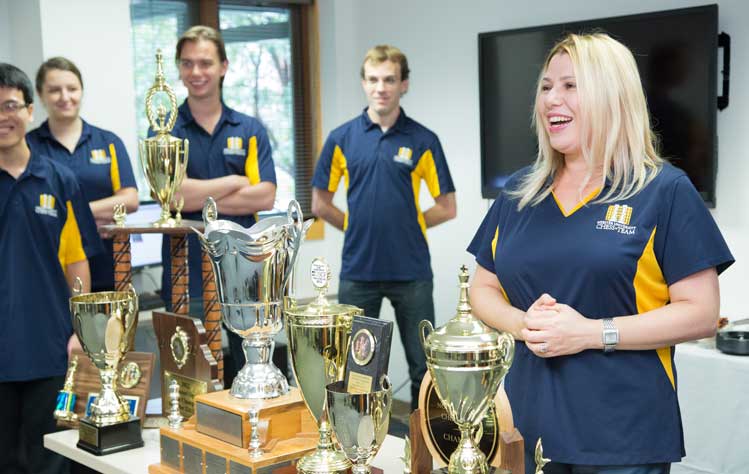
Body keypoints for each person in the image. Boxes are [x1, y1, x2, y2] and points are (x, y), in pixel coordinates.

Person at [467, 33, 734, 474]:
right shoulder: (517, 193)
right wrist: (523, 324)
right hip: (523, 424)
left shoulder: (664, 191)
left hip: (622, 433)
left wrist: (590, 333)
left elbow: (701, 314)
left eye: (571, 86)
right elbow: (483, 287)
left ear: (612, 95)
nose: (552, 99)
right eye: (546, 86)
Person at [312, 45, 457, 409]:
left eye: (389, 80)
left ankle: (425, 450)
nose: (381, 88)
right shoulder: (341, 138)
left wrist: (407, 224)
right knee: (356, 367)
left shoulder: (424, 140)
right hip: (358, 272)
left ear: (403, 84)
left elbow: (447, 206)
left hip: (412, 272)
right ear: (364, 84)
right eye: (374, 80)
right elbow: (320, 205)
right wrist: (359, 226)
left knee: (424, 366)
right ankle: (357, 447)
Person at [0, 63, 101, 474]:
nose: (3, 117)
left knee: (52, 458)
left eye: (10, 105)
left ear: (28, 109)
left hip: (50, 347)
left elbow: (76, 260)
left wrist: (81, 329)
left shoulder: (60, 181)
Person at [161, 26, 277, 375]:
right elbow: (171, 194)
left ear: (223, 67)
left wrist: (196, 196)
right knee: (190, 375)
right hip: (187, 272)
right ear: (179, 69)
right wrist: (232, 181)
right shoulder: (167, 132)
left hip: (245, 273)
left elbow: (265, 194)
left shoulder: (249, 129)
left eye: (205, 63)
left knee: (250, 370)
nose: (196, 73)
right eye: (187, 63)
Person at [26, 57, 138, 292]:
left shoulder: (108, 141)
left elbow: (130, 200)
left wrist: (73, 215)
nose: (65, 97)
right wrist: (92, 217)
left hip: (110, 266)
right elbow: (26, 208)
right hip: (51, 270)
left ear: (82, 91)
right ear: (40, 94)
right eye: (55, 90)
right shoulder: (29, 146)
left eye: (72, 89)